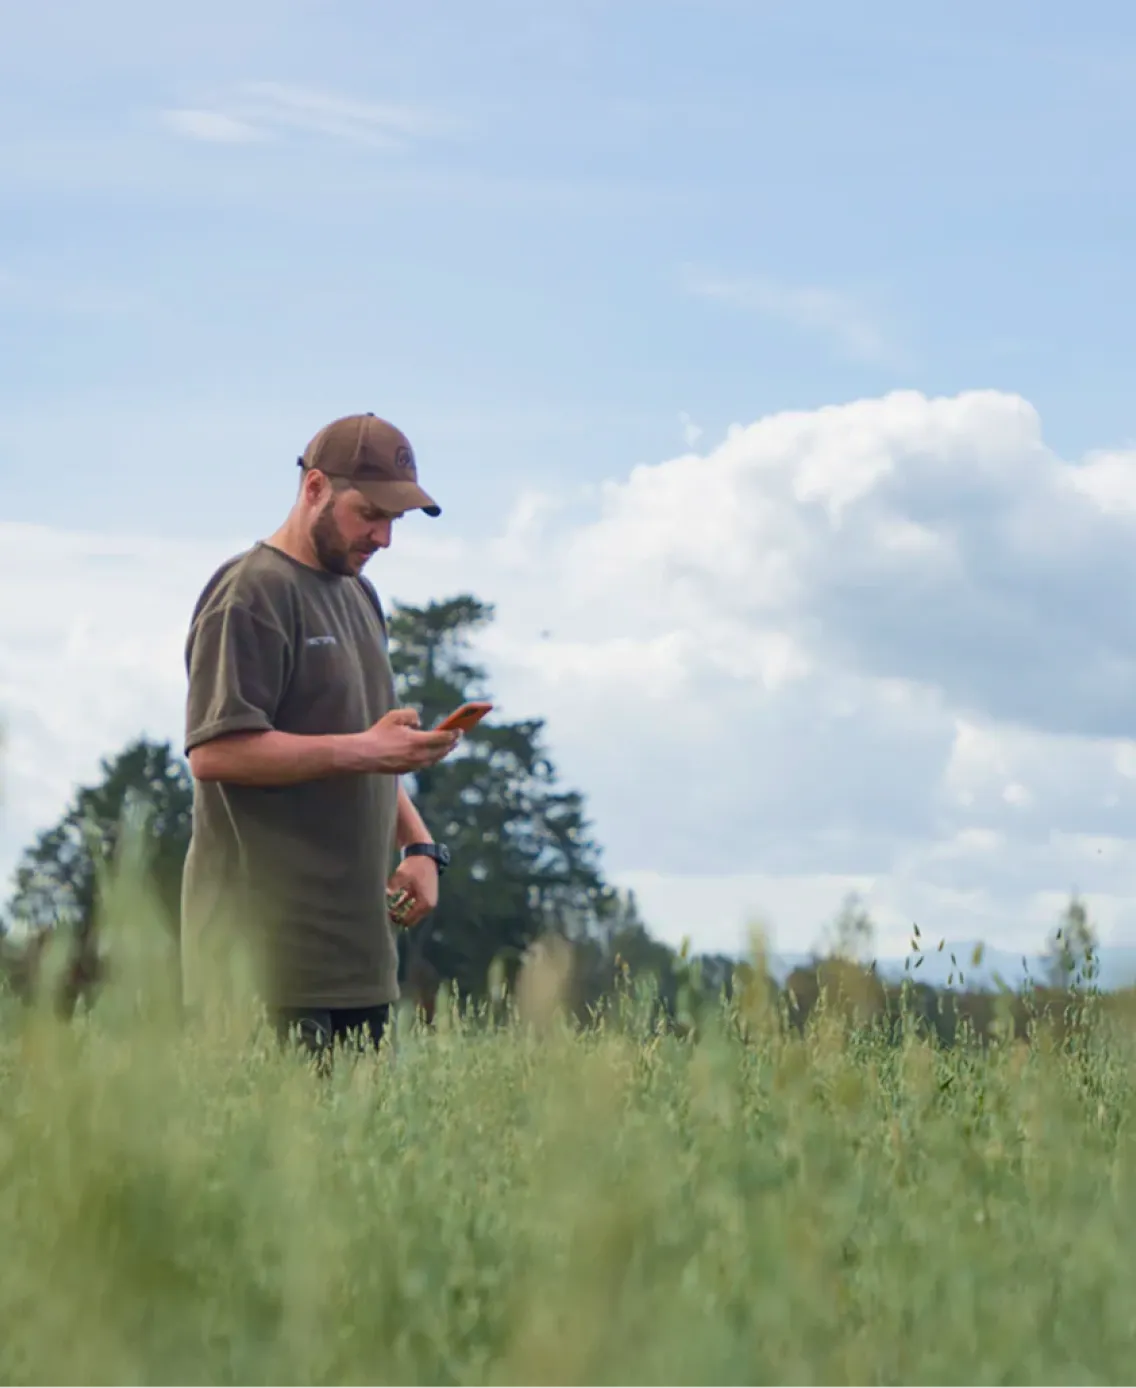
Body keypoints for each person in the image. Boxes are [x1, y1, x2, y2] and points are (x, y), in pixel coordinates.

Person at [179, 412, 461, 1062]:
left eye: (396, 521)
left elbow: (368, 749)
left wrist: (420, 847)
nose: (384, 537)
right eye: (370, 514)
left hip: (358, 961)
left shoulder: (361, 596)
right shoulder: (248, 596)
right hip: (265, 970)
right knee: (268, 1165)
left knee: (355, 1165)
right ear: (313, 489)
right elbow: (215, 752)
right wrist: (366, 749)